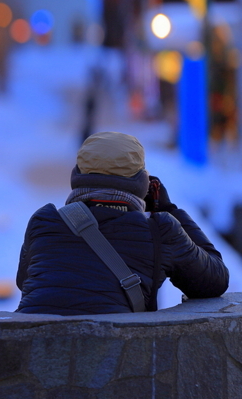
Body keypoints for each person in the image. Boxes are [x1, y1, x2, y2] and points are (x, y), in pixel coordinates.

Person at [17, 132, 228, 315]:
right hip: (113, 348)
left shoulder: (43, 221)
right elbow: (215, 280)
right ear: (143, 182)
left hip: (31, 343)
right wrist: (169, 210)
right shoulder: (159, 230)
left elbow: (25, 282)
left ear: (76, 176)